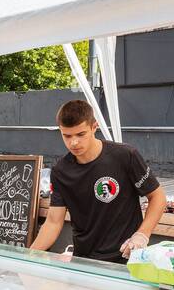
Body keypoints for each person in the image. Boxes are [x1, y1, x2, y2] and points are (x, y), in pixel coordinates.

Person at [30, 98, 165, 263]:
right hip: (85, 260)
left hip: (127, 257)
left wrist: (142, 234)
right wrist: (29, 255)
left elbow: (157, 197)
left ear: (94, 127)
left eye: (81, 134)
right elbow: (53, 221)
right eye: (67, 136)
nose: (74, 142)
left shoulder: (125, 156)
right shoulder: (60, 171)